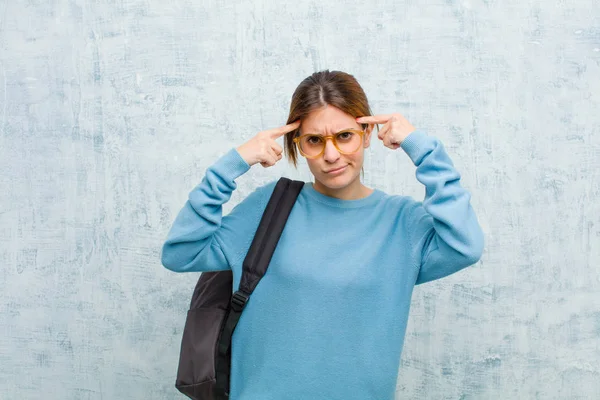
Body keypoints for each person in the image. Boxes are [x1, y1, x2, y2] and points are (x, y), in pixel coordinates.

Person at [161, 70, 484, 400]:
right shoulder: (270, 208)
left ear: (368, 132)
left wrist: (423, 148)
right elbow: (181, 252)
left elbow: (465, 245)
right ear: (299, 145)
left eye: (345, 136)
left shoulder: (402, 223)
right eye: (314, 140)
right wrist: (233, 163)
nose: (331, 156)